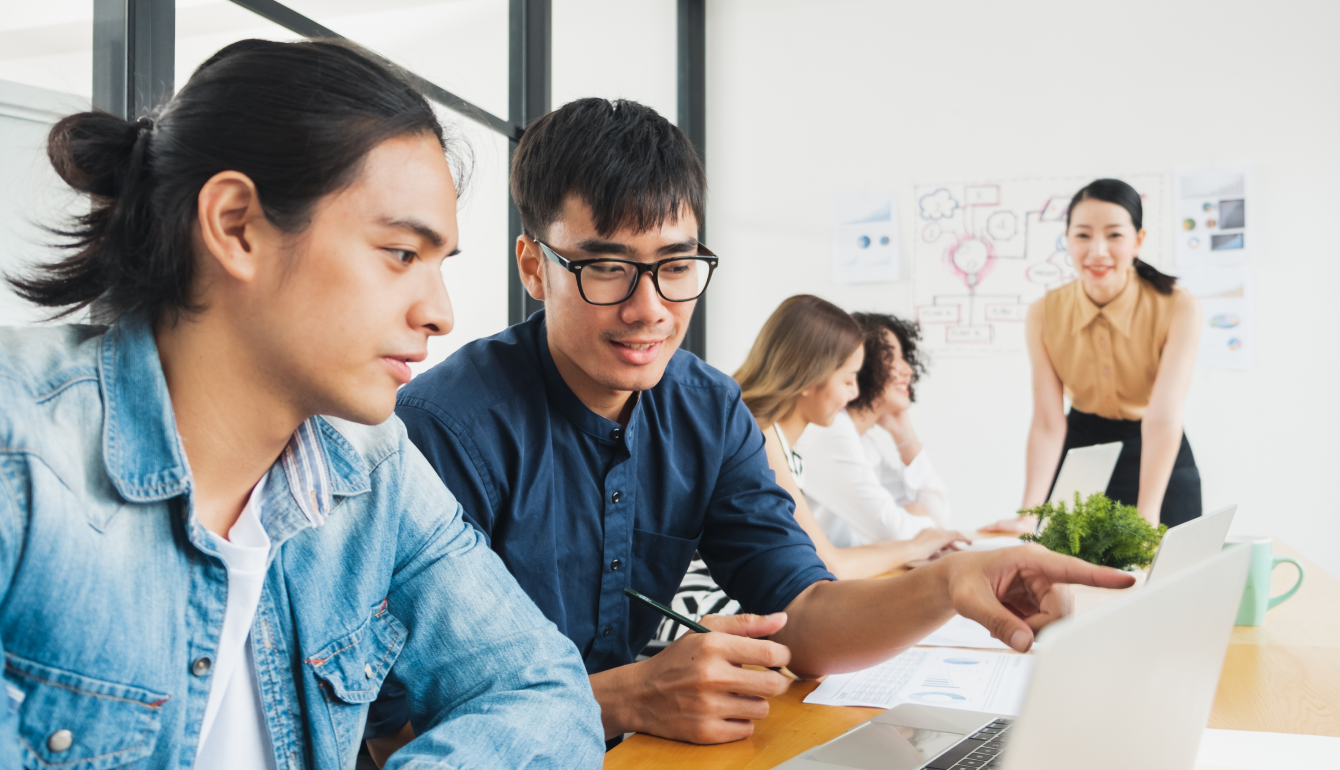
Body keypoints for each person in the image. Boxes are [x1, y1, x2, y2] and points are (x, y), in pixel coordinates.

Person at [372, 97, 1135, 749]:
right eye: (606, 268)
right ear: (534, 266)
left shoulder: (705, 407)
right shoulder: (443, 431)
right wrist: (625, 698)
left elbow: (803, 613)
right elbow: (387, 728)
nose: (651, 310)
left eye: (677, 265)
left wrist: (949, 585)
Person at [0, 40, 602, 769]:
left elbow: (540, 687)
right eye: (402, 254)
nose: (441, 313)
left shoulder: (372, 470)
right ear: (236, 226)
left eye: (439, 266)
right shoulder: (20, 452)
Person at [648, 297, 963, 649]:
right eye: (848, 380)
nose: (855, 392)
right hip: (701, 615)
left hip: (733, 604)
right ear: (810, 377)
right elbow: (830, 564)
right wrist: (918, 546)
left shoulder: (781, 442)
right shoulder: (759, 435)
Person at [984, 178, 1203, 534]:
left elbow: (1163, 419)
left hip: (1157, 452)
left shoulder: (1179, 306)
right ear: (1067, 239)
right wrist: (1028, 514)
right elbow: (1048, 422)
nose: (1097, 251)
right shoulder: (1044, 312)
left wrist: (1147, 512)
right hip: (1082, 452)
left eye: (1114, 235)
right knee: (1070, 580)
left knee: (1172, 577)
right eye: (1083, 235)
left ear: (1138, 241)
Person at [800, 312, 961, 548]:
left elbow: (937, 515)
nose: (908, 370)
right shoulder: (831, 432)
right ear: (864, 362)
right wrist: (921, 521)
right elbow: (894, 534)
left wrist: (903, 431)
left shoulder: (862, 442)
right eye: (893, 357)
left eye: (905, 358)